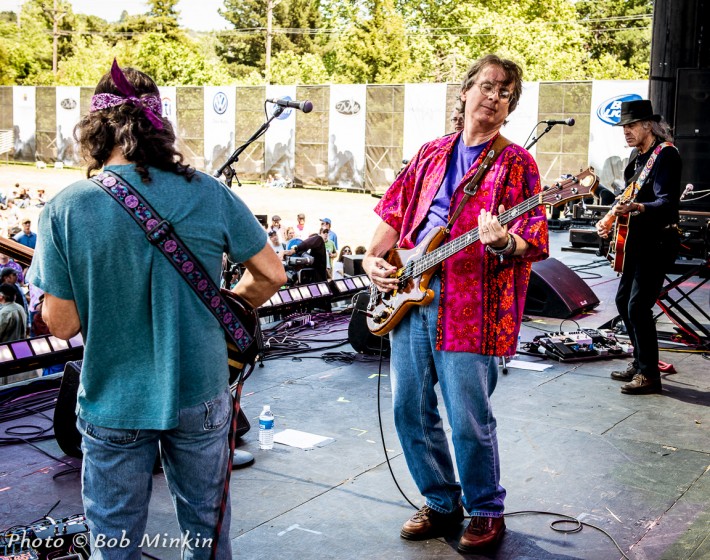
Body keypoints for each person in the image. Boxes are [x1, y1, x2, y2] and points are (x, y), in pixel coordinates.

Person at [27, 60, 286, 559]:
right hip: (202, 394)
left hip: (114, 402)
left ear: (97, 129)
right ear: (158, 128)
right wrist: (223, 310)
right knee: (207, 537)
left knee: (114, 543)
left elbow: (62, 325)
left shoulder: (65, 207)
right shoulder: (208, 191)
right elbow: (272, 274)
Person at [362, 54, 548, 553]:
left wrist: (503, 242)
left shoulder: (516, 163)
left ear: (511, 107)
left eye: (505, 92)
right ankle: (442, 501)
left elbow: (532, 240)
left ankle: (486, 509)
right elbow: (395, 211)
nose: (494, 96)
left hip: (473, 305)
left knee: (467, 415)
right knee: (409, 409)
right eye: (487, 86)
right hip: (410, 294)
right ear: (464, 92)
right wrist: (373, 256)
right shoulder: (430, 152)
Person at [595, 99, 681, 395]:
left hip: (657, 241)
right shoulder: (637, 156)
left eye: (631, 126)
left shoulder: (666, 155)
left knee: (637, 306)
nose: (626, 132)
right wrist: (609, 218)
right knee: (623, 302)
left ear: (648, 125)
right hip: (636, 241)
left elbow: (667, 203)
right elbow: (626, 194)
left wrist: (640, 208)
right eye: (624, 127)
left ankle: (649, 375)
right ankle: (640, 361)